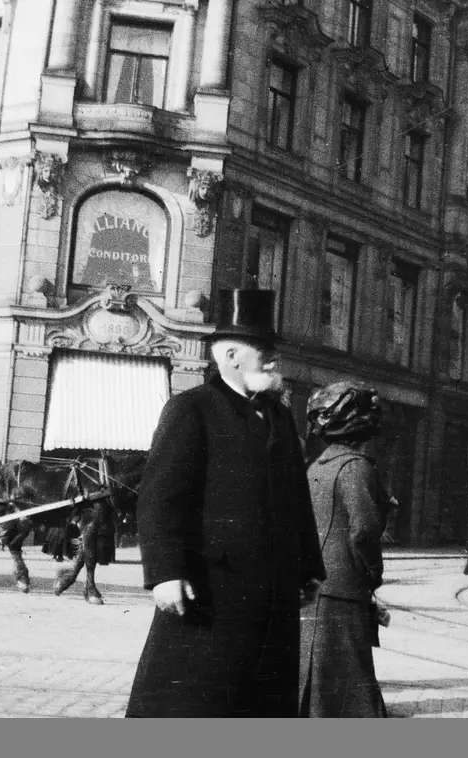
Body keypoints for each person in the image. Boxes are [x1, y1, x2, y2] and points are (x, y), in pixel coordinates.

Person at [126, 289, 325, 718]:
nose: (273, 360)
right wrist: (164, 573)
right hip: (212, 590)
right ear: (232, 355)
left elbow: (297, 499)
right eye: (264, 350)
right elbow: (160, 498)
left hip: (273, 594)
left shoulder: (278, 415)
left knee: (261, 704)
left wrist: (308, 567)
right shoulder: (192, 408)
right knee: (198, 701)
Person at [299, 382, 389, 718]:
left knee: (318, 672)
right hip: (345, 586)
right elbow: (364, 530)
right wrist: (374, 573)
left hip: (319, 586)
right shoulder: (356, 467)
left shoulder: (317, 466)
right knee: (349, 676)